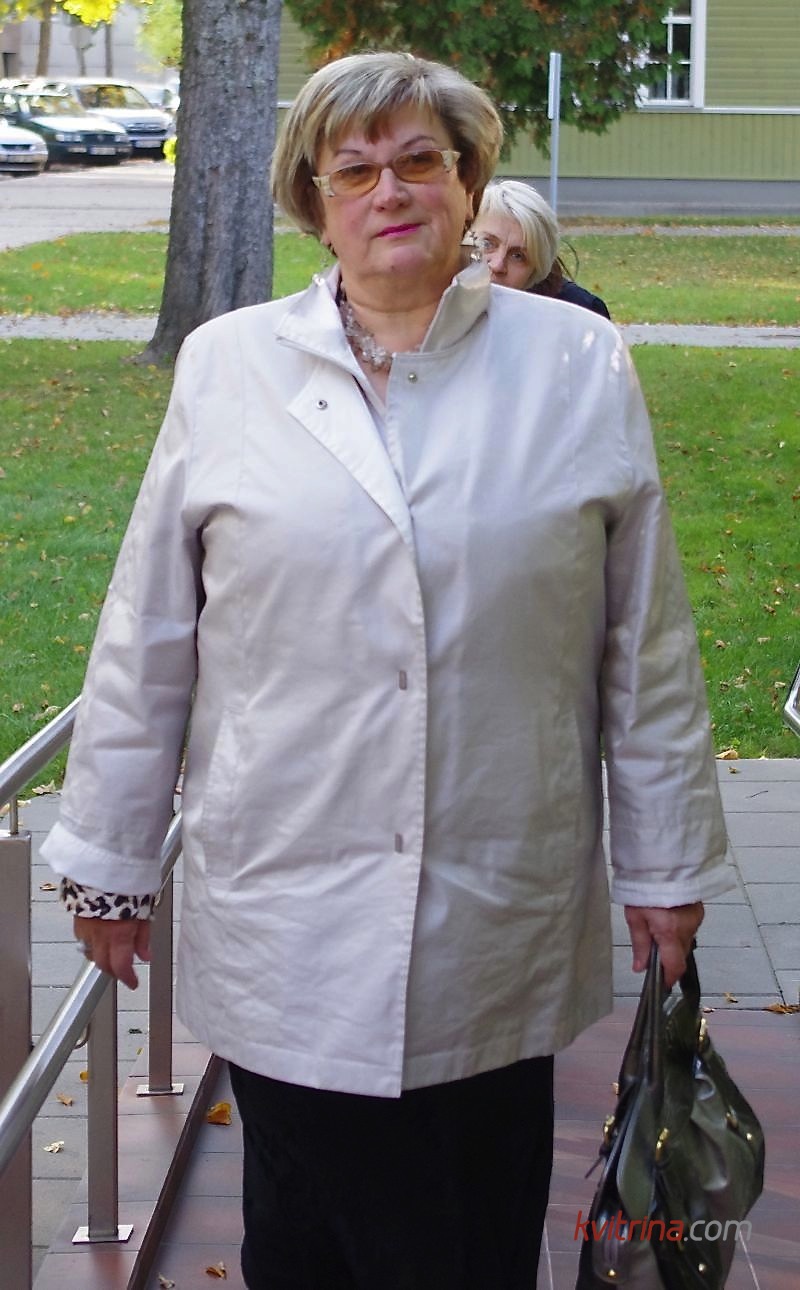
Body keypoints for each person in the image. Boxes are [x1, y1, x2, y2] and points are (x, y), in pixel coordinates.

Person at [41, 50, 733, 1290]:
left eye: (419, 161)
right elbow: (148, 632)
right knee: (299, 1229)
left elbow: (644, 642)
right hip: (285, 888)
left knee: (462, 1226)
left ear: (468, 184)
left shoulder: (571, 363)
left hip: (493, 891)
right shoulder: (230, 364)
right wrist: (109, 861)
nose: (390, 190)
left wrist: (664, 864)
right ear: (313, 201)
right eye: (352, 170)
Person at [471, 177, 611, 316]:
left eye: (518, 256)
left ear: (535, 273)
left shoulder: (579, 315)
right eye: (486, 244)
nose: (497, 265)